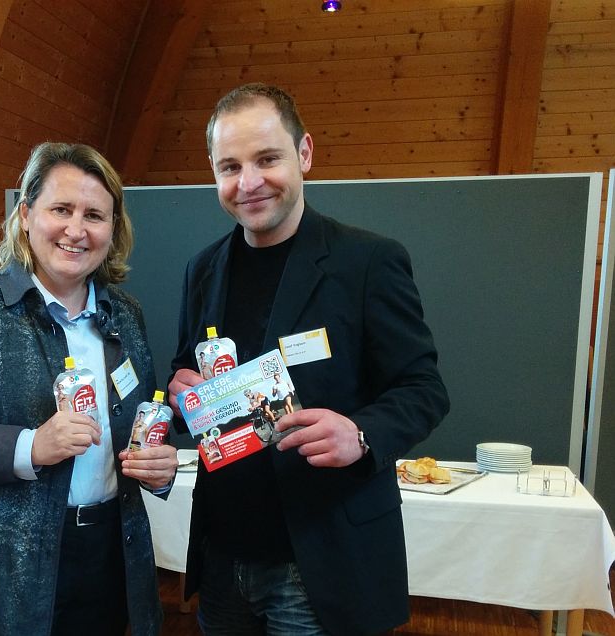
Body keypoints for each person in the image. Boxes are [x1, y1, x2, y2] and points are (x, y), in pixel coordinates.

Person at [167, 83, 450, 636]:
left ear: (305, 153)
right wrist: (182, 395)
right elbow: (187, 374)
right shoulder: (203, 269)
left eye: (267, 159)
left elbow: (424, 388)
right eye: (230, 167)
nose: (249, 182)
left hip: (322, 558)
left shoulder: (367, 261)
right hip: (223, 554)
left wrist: (360, 435)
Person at [0, 142, 178, 636]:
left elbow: (141, 426)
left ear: (113, 229)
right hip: (6, 568)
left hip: (111, 555)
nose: (76, 230)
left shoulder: (126, 315)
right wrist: (29, 447)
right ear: (26, 216)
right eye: (61, 209)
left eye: (94, 215)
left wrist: (159, 466)